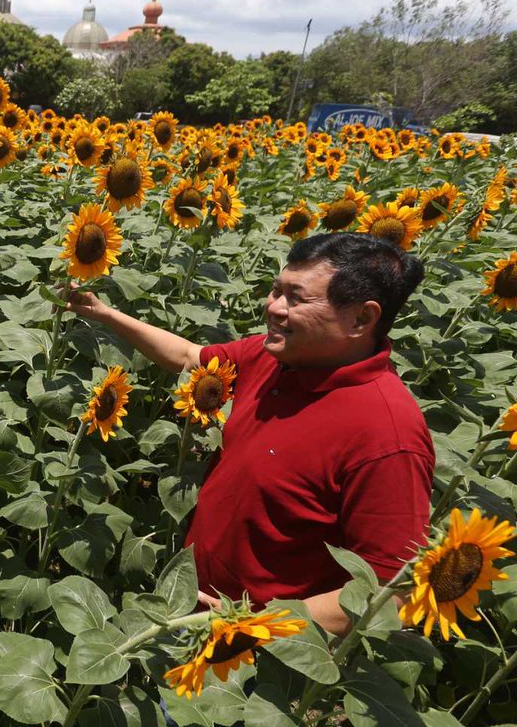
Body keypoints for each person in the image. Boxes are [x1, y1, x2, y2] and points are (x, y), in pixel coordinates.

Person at [65, 233, 433, 636]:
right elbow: (191, 358)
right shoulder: (273, 357)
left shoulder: (387, 435)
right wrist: (106, 315)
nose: (273, 307)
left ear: (362, 319)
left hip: (260, 655)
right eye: (276, 290)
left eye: (296, 298)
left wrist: (254, 627)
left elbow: (390, 590)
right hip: (187, 608)